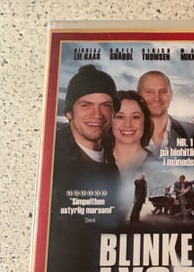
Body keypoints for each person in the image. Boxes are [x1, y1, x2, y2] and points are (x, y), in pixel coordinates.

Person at [53, 64, 119, 193]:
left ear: (114, 113)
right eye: (86, 105)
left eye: (105, 105)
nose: (97, 114)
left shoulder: (109, 158)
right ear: (69, 113)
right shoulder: (55, 159)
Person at [137, 70, 194, 155]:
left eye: (163, 91)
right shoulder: (126, 136)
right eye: (149, 92)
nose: (157, 98)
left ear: (171, 95)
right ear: (138, 96)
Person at [108, 90, 154, 173]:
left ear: (145, 121)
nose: (128, 124)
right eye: (120, 117)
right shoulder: (95, 163)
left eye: (135, 117)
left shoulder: (160, 166)